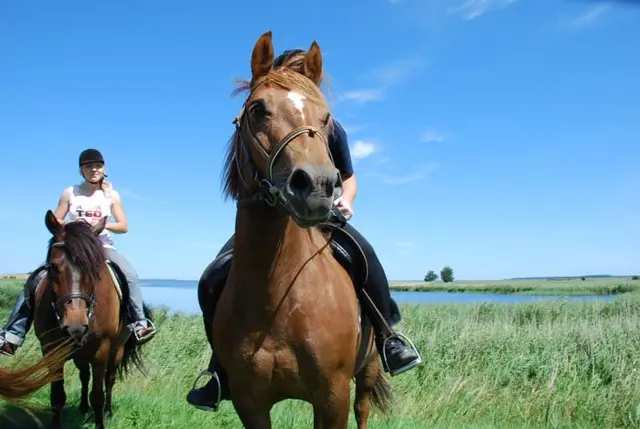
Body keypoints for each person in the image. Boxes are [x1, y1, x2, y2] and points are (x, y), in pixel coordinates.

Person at [186, 49, 422, 412]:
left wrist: (349, 199)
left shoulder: (328, 124)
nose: (297, 77)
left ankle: (388, 336)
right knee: (213, 277)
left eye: (303, 72)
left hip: (321, 208)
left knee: (363, 253)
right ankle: (220, 367)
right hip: (268, 204)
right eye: (291, 70)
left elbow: (348, 176)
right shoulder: (263, 110)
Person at [0, 149, 156, 356]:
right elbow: (57, 219)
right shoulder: (70, 192)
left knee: (130, 276)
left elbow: (124, 226)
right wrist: (75, 226)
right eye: (88, 166)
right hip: (72, 246)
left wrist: (103, 225)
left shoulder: (112, 195)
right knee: (36, 279)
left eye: (98, 166)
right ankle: (12, 335)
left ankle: (138, 323)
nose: (94, 170)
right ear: (81, 170)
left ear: (104, 168)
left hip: (101, 247)